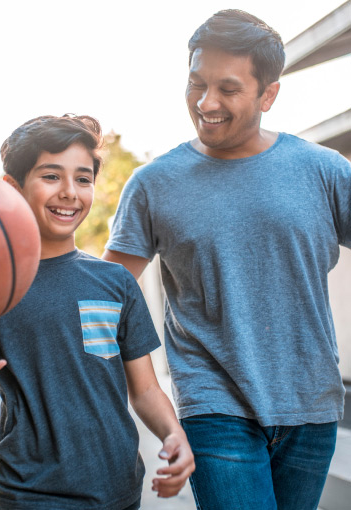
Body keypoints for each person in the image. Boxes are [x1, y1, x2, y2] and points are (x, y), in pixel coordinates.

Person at [103, 9, 351, 510]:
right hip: (213, 406)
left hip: (311, 405)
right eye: (196, 83)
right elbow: (108, 296)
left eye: (227, 89)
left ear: (269, 94)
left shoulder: (324, 171)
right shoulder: (154, 185)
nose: (205, 102)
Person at [0, 114, 195, 510]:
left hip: (120, 489)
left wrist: (173, 434)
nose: (69, 192)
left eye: (83, 179)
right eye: (50, 176)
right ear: (11, 188)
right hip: (31, 494)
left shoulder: (115, 282)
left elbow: (145, 388)